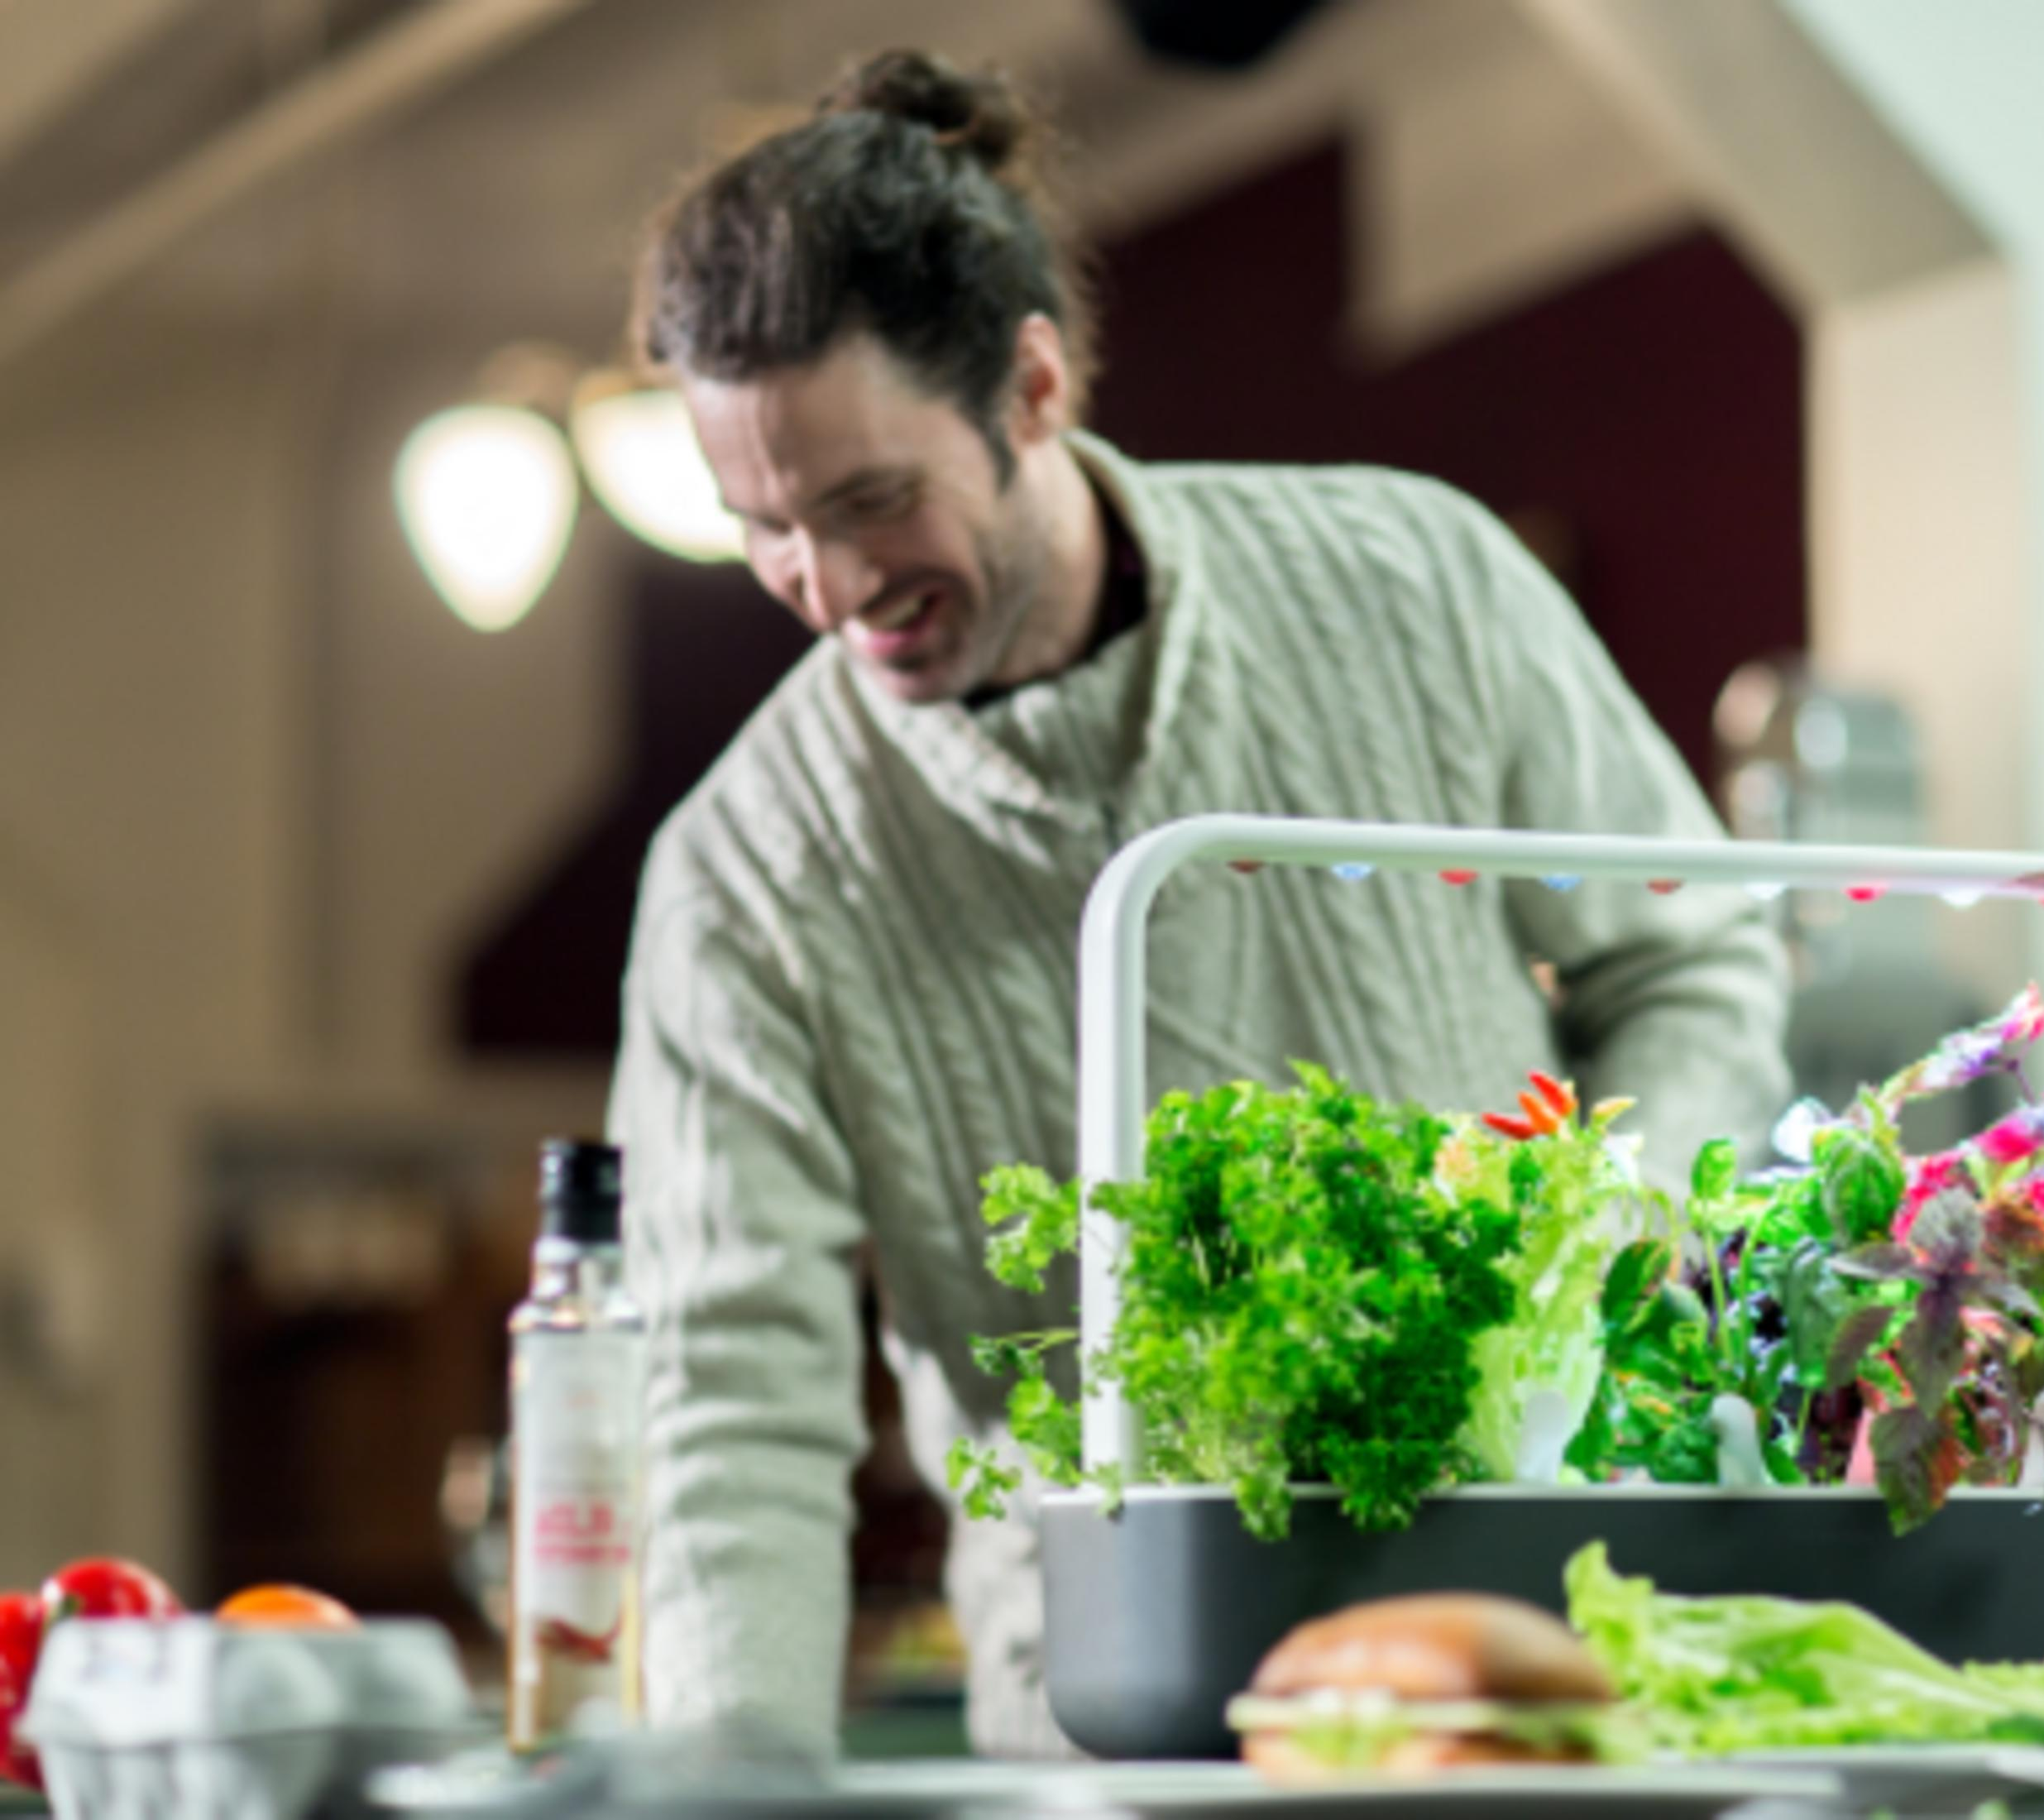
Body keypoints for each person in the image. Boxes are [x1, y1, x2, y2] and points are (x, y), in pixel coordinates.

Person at [606, 47, 1791, 1759]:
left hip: (1528, 1649)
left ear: (1033, 387)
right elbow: (730, 1405)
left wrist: (1565, 1303)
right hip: (1104, 1712)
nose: (831, 587)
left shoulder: (1422, 582)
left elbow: (1696, 959)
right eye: (764, 526)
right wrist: (732, 1792)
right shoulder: (743, 877)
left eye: (872, 499)